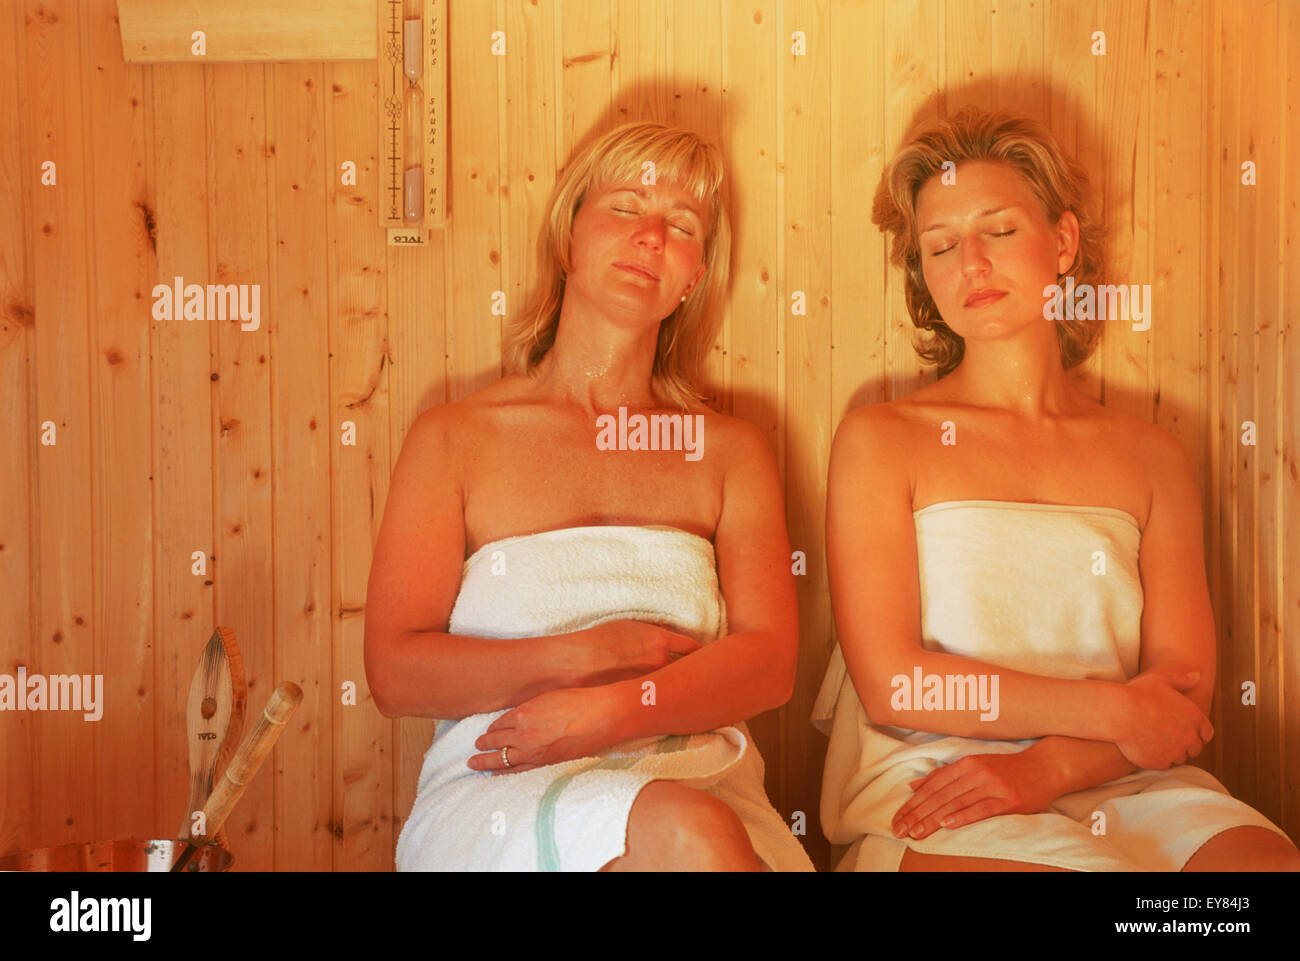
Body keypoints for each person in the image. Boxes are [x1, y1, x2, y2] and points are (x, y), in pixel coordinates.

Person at [812, 106, 1299, 872]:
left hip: (1123, 772)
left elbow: (1183, 697)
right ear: (924, 276)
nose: (971, 262)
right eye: (940, 246)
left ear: (1063, 242)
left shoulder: (1151, 454)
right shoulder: (882, 439)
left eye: (999, 231)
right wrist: (1114, 709)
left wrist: (1047, 766)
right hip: (939, 781)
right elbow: (894, 683)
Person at [365, 120, 814, 872]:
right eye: (627, 207)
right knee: (693, 838)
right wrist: (585, 656)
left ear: (693, 277)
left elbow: (769, 665)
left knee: (702, 832)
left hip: (699, 775)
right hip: (505, 775)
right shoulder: (454, 437)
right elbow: (395, 671)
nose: (650, 237)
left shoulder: (729, 451)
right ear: (569, 235)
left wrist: (613, 707)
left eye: (681, 226)